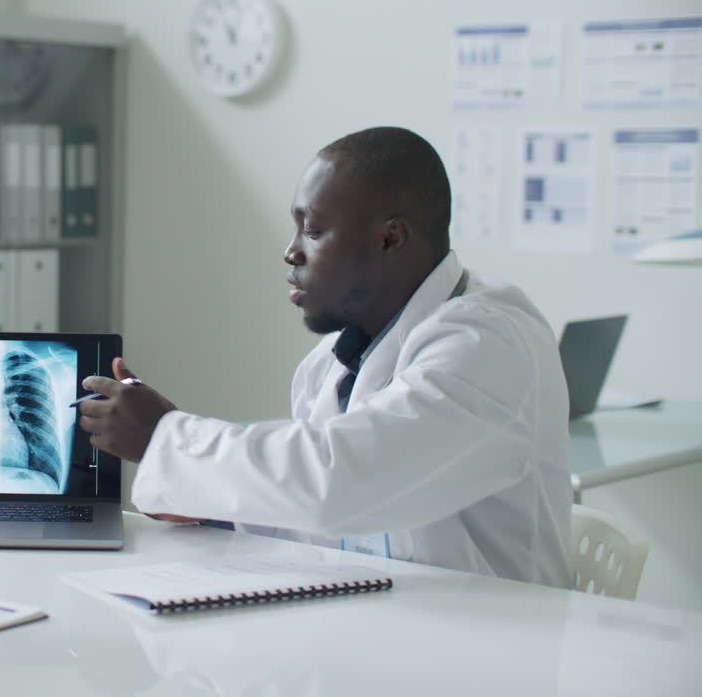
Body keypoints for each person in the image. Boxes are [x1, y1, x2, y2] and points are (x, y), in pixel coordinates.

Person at [78, 126, 572, 588]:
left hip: (492, 659)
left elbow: (340, 482)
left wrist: (168, 436)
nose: (291, 252)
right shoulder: (332, 365)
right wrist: (211, 502)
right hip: (383, 633)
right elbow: (322, 526)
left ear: (390, 238)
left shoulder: (487, 345)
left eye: (312, 231)